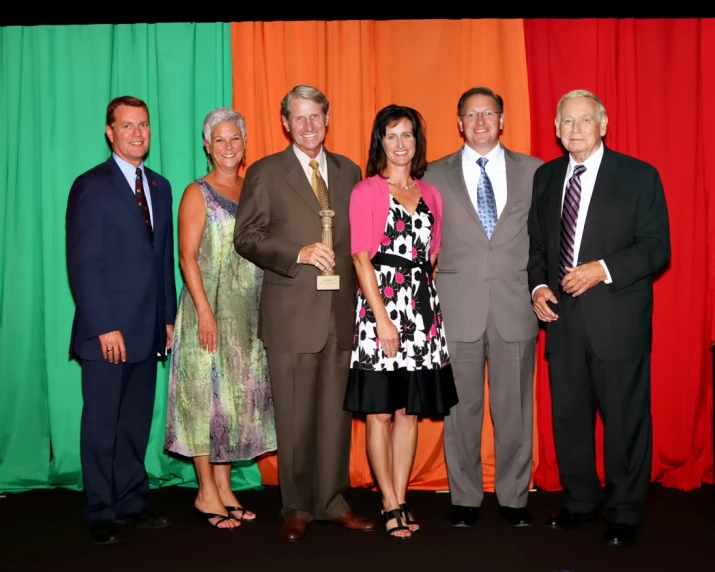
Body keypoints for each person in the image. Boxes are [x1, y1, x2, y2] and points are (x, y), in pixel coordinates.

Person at [527, 89, 670, 547]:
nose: (574, 129)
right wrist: (538, 287)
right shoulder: (547, 177)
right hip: (563, 323)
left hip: (618, 321)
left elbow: (656, 248)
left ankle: (625, 511)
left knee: (625, 420)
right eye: (566, 122)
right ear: (555, 129)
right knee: (569, 418)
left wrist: (602, 269)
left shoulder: (639, 176)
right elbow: (537, 249)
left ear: (603, 124)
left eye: (584, 120)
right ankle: (581, 502)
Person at [233, 84, 375, 541]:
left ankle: (332, 501)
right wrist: (298, 251)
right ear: (285, 123)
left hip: (340, 312)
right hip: (291, 311)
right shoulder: (265, 172)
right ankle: (295, 506)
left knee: (336, 415)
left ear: (327, 119)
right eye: (299, 117)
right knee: (294, 417)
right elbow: (247, 236)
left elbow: (361, 241)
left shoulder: (350, 170)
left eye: (316, 116)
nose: (308, 125)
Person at [422, 86, 543, 528]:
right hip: (457, 308)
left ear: (501, 119)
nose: (479, 121)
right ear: (459, 123)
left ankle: (514, 498)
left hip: (516, 307)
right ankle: (465, 500)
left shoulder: (534, 171)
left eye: (488, 113)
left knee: (514, 408)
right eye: (471, 114)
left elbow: (546, 240)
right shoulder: (432, 175)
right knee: (460, 410)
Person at [65, 95, 178, 545]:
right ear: (110, 132)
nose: (137, 133)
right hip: (106, 333)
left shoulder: (161, 186)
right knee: (101, 425)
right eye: (127, 126)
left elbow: (162, 260)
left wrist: (168, 318)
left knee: (134, 422)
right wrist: (102, 323)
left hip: (147, 329)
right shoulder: (90, 185)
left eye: (143, 125)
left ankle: (132, 500)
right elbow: (83, 262)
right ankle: (100, 510)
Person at [344, 105, 458, 539]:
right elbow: (359, 257)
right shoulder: (367, 191)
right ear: (380, 142)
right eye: (391, 135)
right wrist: (383, 319)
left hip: (422, 312)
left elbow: (431, 259)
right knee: (379, 414)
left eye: (407, 135)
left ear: (417, 142)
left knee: (408, 413)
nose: (400, 143)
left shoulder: (432, 195)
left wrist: (422, 316)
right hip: (381, 310)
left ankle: (402, 495)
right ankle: (388, 502)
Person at [164, 107, 277, 529]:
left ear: (244, 145)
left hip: (246, 318)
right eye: (220, 139)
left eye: (235, 139)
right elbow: (187, 258)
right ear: (207, 146)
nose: (228, 146)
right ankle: (206, 493)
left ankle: (226, 489)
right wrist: (205, 313)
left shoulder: (252, 189)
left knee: (232, 405)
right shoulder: (197, 192)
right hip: (206, 312)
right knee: (203, 404)